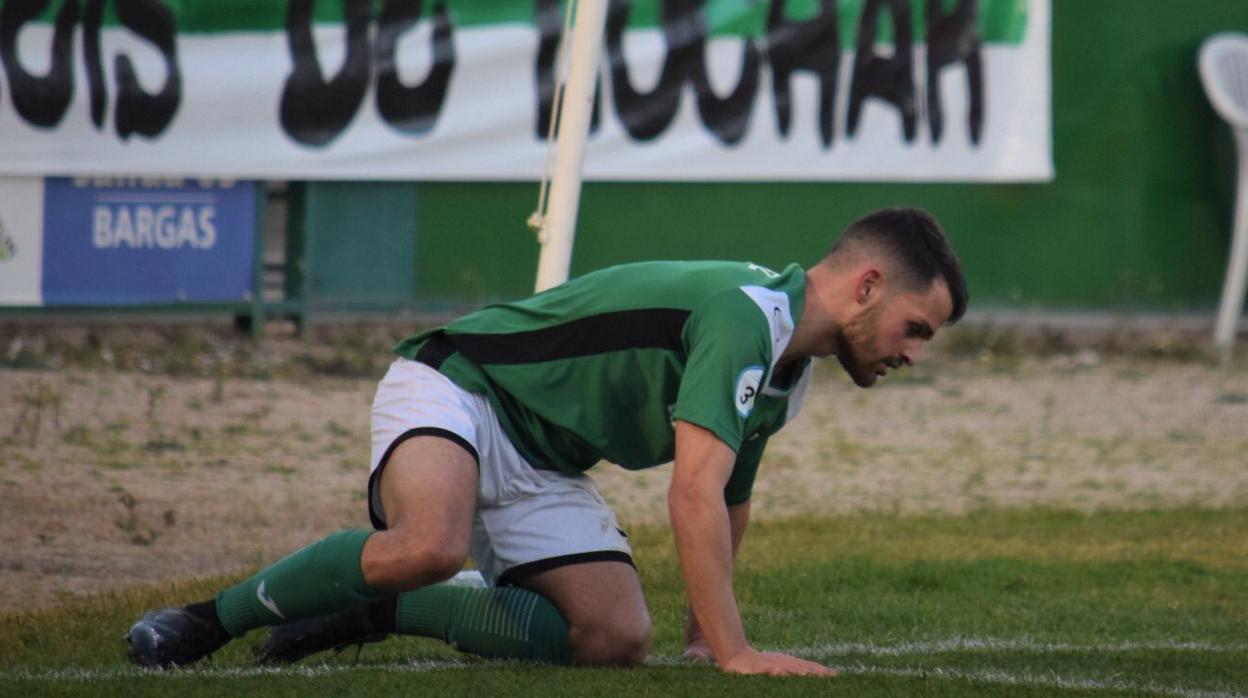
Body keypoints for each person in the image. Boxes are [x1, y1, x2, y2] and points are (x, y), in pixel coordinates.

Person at [125, 207, 967, 676]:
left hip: (543, 458)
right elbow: (692, 493)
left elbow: (731, 495)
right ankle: (203, 622)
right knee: (429, 542)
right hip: (460, 385)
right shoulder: (747, 317)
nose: (912, 353)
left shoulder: (791, 367)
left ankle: (379, 608)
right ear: (866, 285)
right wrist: (739, 655)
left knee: (612, 640)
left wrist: (704, 634)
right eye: (915, 327)